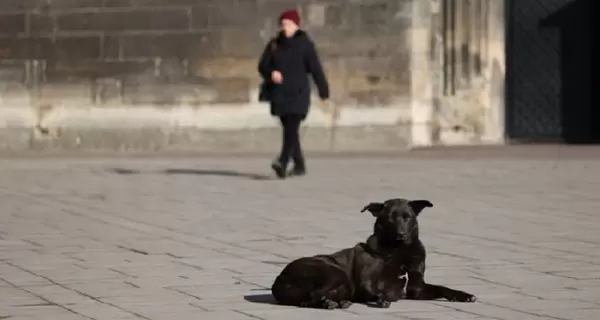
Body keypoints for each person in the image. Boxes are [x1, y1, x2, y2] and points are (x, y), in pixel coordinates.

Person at [258, 9, 330, 179]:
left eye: (289, 24)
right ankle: (299, 164)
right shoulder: (274, 44)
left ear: (297, 25)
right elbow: (262, 65)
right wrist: (271, 73)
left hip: (298, 93)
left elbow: (315, 68)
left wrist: (323, 90)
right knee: (290, 130)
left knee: (291, 127)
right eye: (283, 25)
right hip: (280, 94)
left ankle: (282, 162)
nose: (285, 28)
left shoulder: (305, 45)